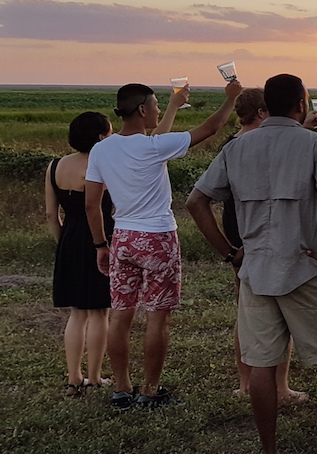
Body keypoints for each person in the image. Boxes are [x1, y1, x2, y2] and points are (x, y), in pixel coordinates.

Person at [187, 73, 317, 454]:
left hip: (255, 271)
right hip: (304, 268)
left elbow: (196, 201)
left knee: (261, 364)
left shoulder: (237, 147)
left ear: (266, 105)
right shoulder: (316, 144)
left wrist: (229, 253)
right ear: (301, 104)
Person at [85, 79, 241, 409]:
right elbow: (211, 128)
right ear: (142, 110)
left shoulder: (102, 149)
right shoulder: (153, 147)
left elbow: (91, 204)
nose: (158, 112)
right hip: (157, 238)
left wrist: (100, 243)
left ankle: (122, 389)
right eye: (156, 106)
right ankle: (150, 391)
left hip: (122, 237)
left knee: (120, 315)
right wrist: (231, 99)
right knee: (158, 317)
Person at [221, 88, 305, 404]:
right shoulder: (260, 144)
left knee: (246, 312)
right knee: (278, 312)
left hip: (236, 230)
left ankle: (246, 382)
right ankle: (280, 387)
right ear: (261, 113)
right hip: (266, 231)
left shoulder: (231, 146)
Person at [45, 112, 114, 395]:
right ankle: (95, 377)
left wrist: (64, 243)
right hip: (102, 239)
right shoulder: (105, 166)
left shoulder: (55, 166)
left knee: (76, 313)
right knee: (99, 312)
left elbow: (51, 215)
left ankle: (74, 378)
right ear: (100, 136)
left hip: (70, 240)